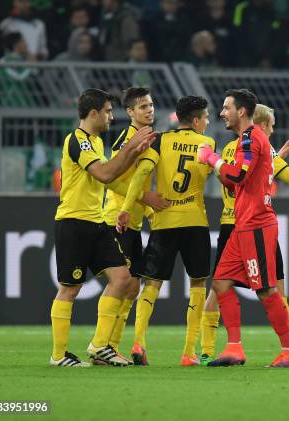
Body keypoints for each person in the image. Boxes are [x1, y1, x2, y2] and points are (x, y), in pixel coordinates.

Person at [198, 103, 289, 364]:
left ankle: (286, 351)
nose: (273, 129)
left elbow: (231, 180)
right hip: (249, 223)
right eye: (272, 125)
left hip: (239, 221)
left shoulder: (240, 145)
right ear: (263, 124)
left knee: (224, 286)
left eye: (226, 108)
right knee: (265, 288)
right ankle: (238, 348)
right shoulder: (256, 143)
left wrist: (213, 159)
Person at [50, 88, 159, 367]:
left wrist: (130, 151)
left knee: (123, 279)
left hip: (96, 222)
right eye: (108, 111)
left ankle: (100, 346)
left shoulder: (96, 142)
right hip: (74, 221)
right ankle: (59, 355)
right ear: (94, 113)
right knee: (70, 289)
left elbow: (109, 173)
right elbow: (106, 173)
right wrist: (131, 149)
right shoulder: (78, 141)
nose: (112, 116)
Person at [118, 96, 215, 367]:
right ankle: (188, 352)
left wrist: (127, 207)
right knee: (197, 282)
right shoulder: (207, 143)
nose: (207, 122)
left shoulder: (160, 140)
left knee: (152, 284)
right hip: (195, 221)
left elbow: (142, 173)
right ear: (196, 120)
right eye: (205, 118)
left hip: (164, 221)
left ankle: (138, 342)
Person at [102, 87, 170, 363]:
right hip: (116, 217)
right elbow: (114, 179)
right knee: (122, 284)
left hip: (134, 221)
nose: (149, 110)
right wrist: (145, 197)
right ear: (129, 112)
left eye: (151, 105)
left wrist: (150, 213)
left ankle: (112, 346)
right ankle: (103, 346)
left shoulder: (148, 138)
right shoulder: (127, 139)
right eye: (142, 106)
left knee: (131, 288)